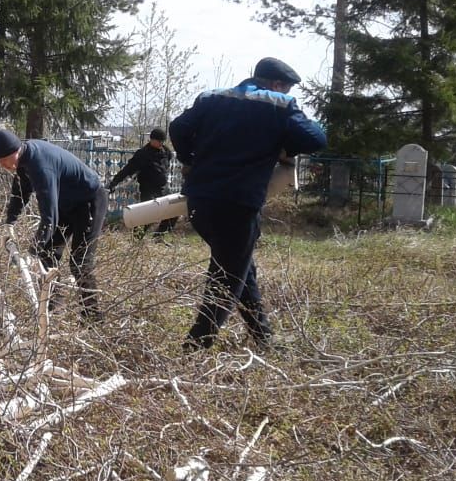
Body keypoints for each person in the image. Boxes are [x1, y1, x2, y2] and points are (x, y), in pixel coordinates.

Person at [169, 57, 327, 351]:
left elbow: (177, 128)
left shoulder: (210, 98)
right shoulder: (280, 104)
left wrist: (189, 159)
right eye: (288, 89)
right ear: (278, 84)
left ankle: (264, 339)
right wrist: (284, 142)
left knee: (240, 268)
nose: (289, 94)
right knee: (227, 278)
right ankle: (193, 347)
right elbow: (315, 139)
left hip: (199, 202)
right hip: (238, 204)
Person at [0, 128, 108, 318]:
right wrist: (9, 223)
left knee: (80, 261)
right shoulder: (21, 161)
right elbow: (19, 194)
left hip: (89, 201)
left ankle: (92, 316)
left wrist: (32, 251)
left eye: (4, 160)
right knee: (47, 254)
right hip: (67, 204)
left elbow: (49, 216)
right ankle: (53, 308)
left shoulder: (40, 166)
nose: (3, 165)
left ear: (15, 151)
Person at [107, 127, 177, 240]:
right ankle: (136, 240)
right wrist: (113, 183)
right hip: (148, 189)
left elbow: (166, 165)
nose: (161, 143)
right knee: (147, 216)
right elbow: (127, 170)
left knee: (173, 211)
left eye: (163, 141)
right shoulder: (142, 154)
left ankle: (158, 238)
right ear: (152, 140)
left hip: (164, 188)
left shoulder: (166, 152)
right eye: (159, 141)